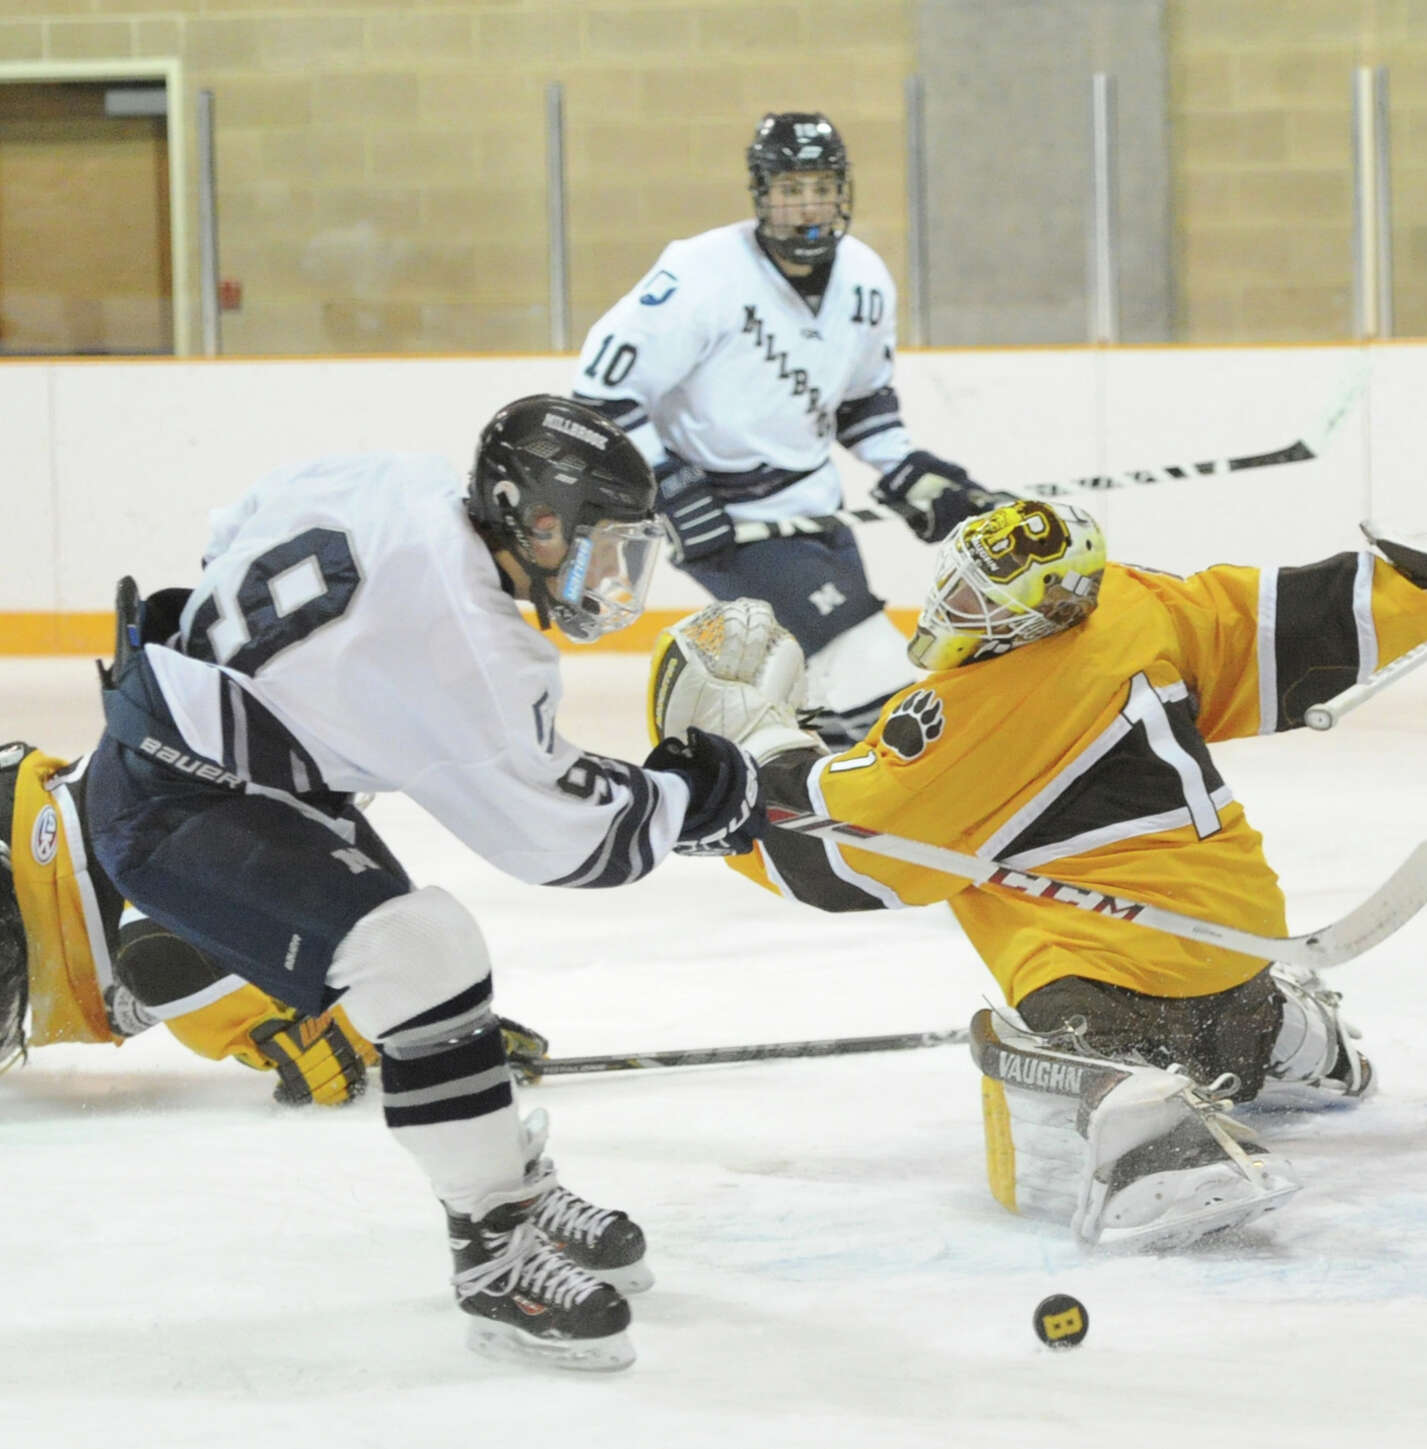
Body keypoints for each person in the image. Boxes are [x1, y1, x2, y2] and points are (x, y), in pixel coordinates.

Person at [647, 498, 1427, 1250]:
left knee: (1020, 1044)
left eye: (981, 603)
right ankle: (1281, 1036)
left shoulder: (973, 719)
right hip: (1237, 960)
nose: (954, 614)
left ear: (1042, 609)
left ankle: (1146, 1130)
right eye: (959, 588)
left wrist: (744, 752)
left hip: (1110, 1001)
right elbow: (1282, 624)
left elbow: (840, 851)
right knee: (1207, 970)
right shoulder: (1133, 605)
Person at [80, 395, 765, 1372]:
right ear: (514, 511)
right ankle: (495, 1252)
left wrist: (312, 693)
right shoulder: (474, 642)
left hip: (220, 764)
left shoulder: (389, 480)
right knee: (426, 955)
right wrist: (698, 794)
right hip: (177, 812)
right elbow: (563, 838)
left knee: (420, 969)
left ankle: (508, 1190)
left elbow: (227, 535)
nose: (605, 571)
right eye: (587, 540)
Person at [570, 110, 1006, 748]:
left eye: (822, 188)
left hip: (815, 511)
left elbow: (862, 403)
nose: (807, 206)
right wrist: (667, 485)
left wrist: (908, 470)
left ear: (842, 193)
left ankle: (801, 813)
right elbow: (598, 395)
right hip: (725, 523)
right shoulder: (699, 274)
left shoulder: (864, 278)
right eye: (790, 189)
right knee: (870, 672)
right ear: (762, 193)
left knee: (816, 692)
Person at [1, 738, 548, 1108]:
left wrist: (417, 1021)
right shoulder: (235, 773)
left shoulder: (259, 778)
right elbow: (163, 954)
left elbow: (175, 946)